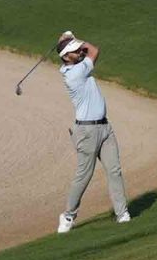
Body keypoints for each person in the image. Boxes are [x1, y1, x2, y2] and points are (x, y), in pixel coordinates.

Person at [55, 31, 130, 233]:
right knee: (84, 175)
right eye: (73, 51)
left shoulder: (77, 66)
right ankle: (68, 216)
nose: (79, 51)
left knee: (114, 171)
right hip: (86, 132)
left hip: (105, 128)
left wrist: (69, 41)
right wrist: (74, 38)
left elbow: (85, 51)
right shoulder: (75, 73)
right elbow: (94, 50)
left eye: (78, 49)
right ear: (65, 58)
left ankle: (122, 214)